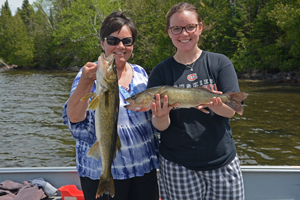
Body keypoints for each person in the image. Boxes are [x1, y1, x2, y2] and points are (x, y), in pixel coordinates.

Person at [147, 2, 244, 200]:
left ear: (199, 27)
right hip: (177, 165)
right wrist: (161, 115)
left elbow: (232, 112)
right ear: (169, 32)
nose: (184, 34)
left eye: (190, 27)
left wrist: (216, 105)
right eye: (177, 29)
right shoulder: (160, 72)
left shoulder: (220, 63)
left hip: (222, 161)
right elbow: (160, 126)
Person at [62, 11, 159, 200]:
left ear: (133, 44)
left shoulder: (141, 74)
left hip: (143, 169)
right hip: (100, 172)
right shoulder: (89, 77)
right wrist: (85, 82)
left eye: (127, 41)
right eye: (113, 40)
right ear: (102, 43)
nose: (120, 46)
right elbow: (74, 118)